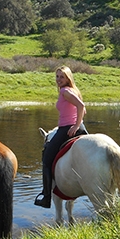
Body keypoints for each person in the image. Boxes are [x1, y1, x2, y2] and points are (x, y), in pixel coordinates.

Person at [34, 65, 87, 208]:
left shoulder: (65, 91)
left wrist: (74, 126)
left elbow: (81, 106)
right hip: (80, 128)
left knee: (46, 159)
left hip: (66, 130)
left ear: (68, 78)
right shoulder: (73, 90)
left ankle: (46, 196)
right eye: (57, 76)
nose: (58, 80)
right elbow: (84, 110)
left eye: (62, 77)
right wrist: (78, 124)